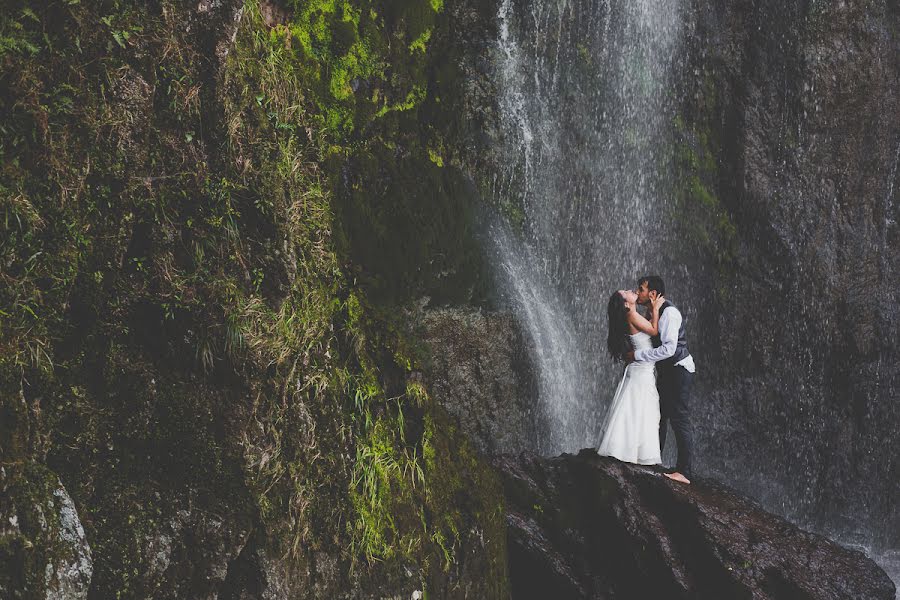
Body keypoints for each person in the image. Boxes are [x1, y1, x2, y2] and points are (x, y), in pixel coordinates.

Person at [627, 275, 696, 484]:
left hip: (679, 370)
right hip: (668, 373)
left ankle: (685, 472)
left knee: (679, 418)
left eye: (641, 289)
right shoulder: (654, 313)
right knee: (660, 416)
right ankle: (652, 460)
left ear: (653, 294)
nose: (637, 292)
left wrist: (638, 356)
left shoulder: (670, 313)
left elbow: (669, 349)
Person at [597, 289, 667, 466]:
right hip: (640, 371)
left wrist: (651, 313)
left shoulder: (632, 316)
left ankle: (629, 450)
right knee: (638, 409)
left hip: (640, 368)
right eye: (626, 292)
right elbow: (653, 330)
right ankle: (628, 451)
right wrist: (657, 308)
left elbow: (647, 328)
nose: (631, 290)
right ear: (626, 304)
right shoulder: (632, 315)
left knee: (637, 408)